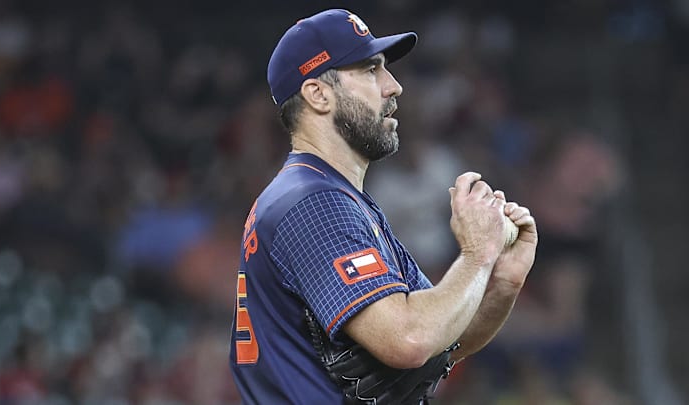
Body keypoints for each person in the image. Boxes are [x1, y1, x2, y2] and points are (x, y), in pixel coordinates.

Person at [229, 9, 538, 404]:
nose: (393, 87)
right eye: (371, 69)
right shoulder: (311, 203)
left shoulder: (335, 198)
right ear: (318, 94)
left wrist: (502, 281)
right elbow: (410, 340)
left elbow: (444, 336)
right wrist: (478, 254)